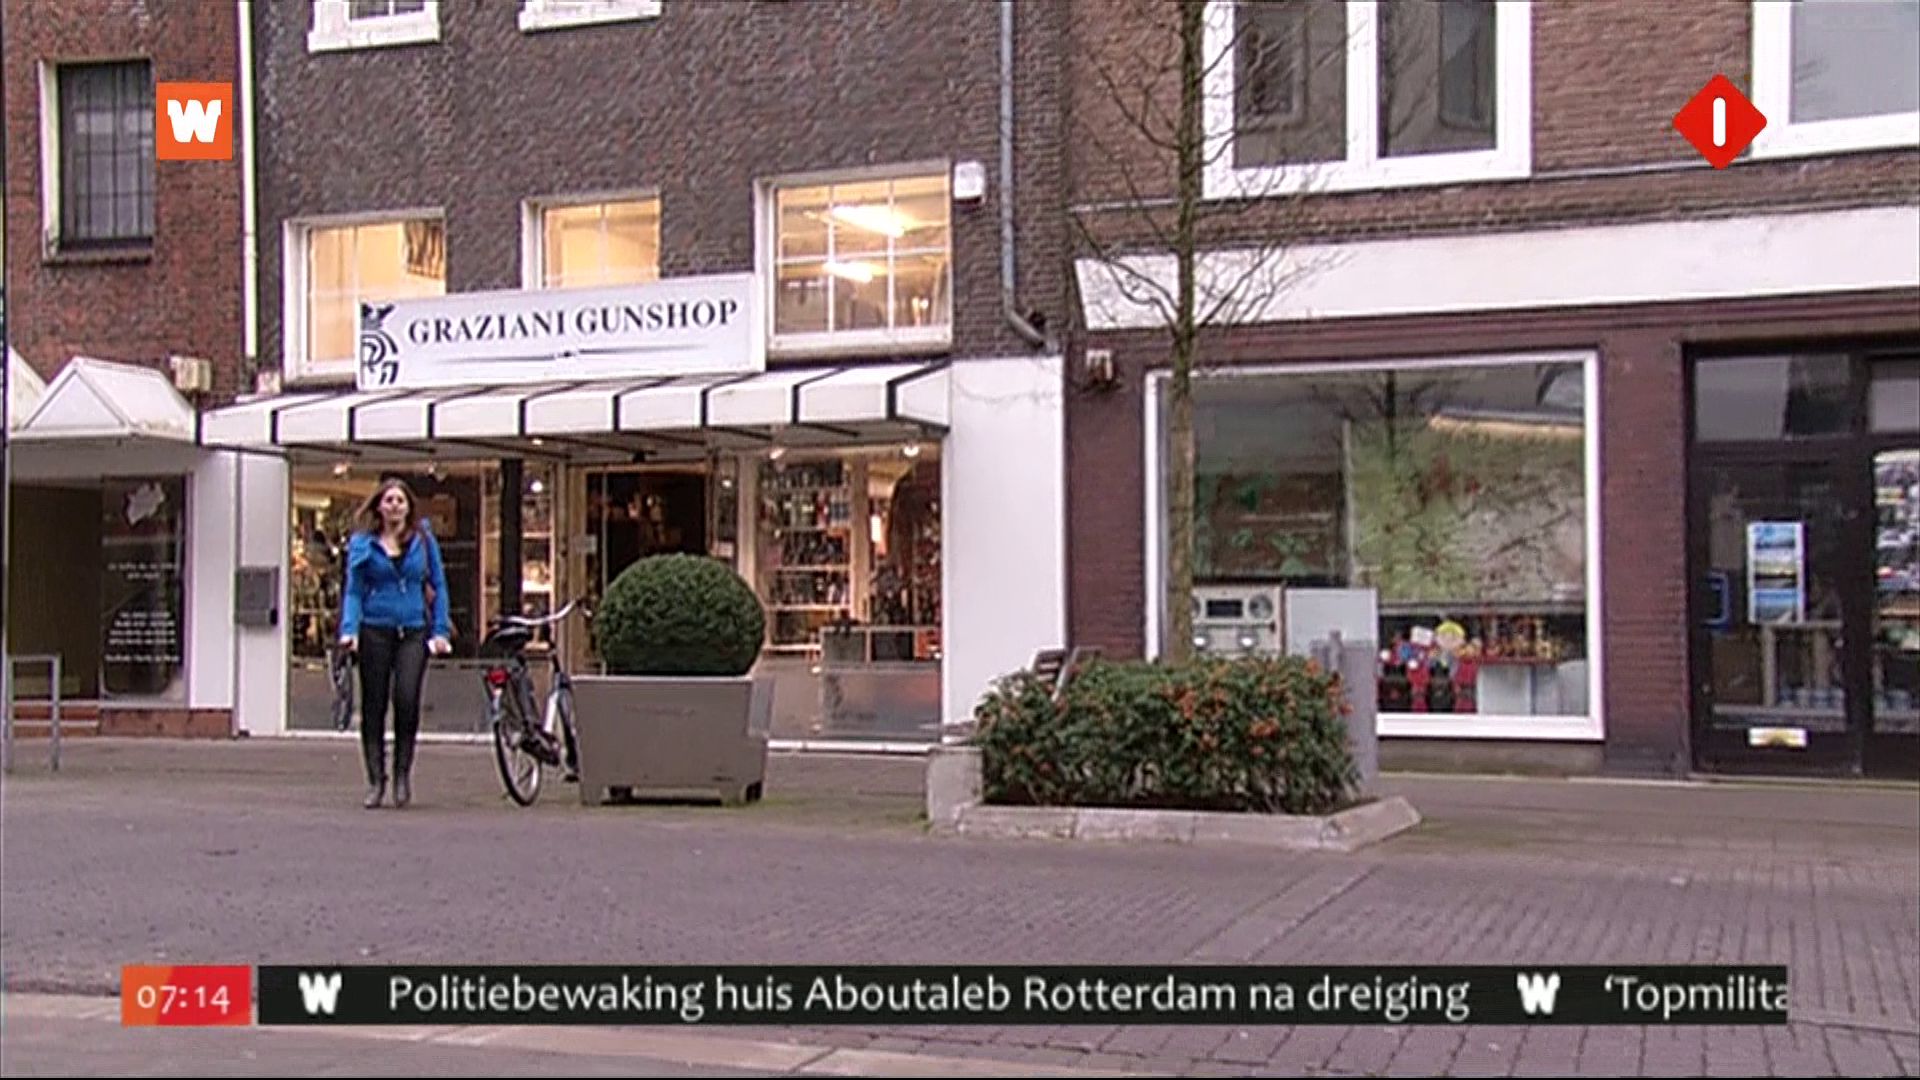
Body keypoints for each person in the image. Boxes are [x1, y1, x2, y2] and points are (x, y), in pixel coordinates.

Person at [339, 478, 452, 809]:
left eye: (400, 500)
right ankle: (376, 779)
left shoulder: (423, 539)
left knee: (406, 699)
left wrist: (440, 631)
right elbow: (354, 591)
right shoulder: (363, 543)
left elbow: (439, 585)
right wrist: (350, 629)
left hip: (412, 631)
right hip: (375, 630)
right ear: (379, 506)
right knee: (373, 705)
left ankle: (402, 774)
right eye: (388, 500)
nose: (394, 506)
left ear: (408, 506)